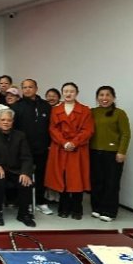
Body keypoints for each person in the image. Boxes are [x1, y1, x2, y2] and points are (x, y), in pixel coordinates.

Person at [45, 82, 94, 220]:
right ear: (62, 93)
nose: (68, 94)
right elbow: (53, 129)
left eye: (71, 91)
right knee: (62, 177)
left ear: (76, 93)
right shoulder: (56, 110)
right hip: (60, 148)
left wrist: (74, 143)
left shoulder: (85, 110)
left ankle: (77, 208)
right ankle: (64, 207)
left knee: (77, 178)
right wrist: (64, 142)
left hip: (78, 149)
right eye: (66, 91)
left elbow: (88, 130)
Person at [0, 109, 36, 227]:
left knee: (25, 182)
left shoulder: (20, 136)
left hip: (16, 170)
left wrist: (25, 172)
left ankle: (24, 214)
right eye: (3, 120)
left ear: (12, 122)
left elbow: (26, 157)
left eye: (9, 120)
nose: (6, 122)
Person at [11, 79, 53, 215]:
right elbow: (13, 129)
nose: (27, 89)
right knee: (24, 175)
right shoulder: (16, 107)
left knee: (41, 175)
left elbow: (51, 127)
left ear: (36, 88)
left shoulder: (46, 106)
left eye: (30, 87)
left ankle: (40, 201)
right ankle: (26, 202)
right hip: (23, 149)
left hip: (42, 148)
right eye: (25, 87)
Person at [90, 86, 131, 222]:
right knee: (97, 181)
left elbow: (126, 134)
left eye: (108, 95)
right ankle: (97, 208)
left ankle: (109, 211)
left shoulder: (119, 113)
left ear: (113, 97)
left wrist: (122, 151)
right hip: (94, 151)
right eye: (101, 95)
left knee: (111, 183)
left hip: (113, 153)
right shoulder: (92, 112)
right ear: (97, 98)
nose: (104, 98)